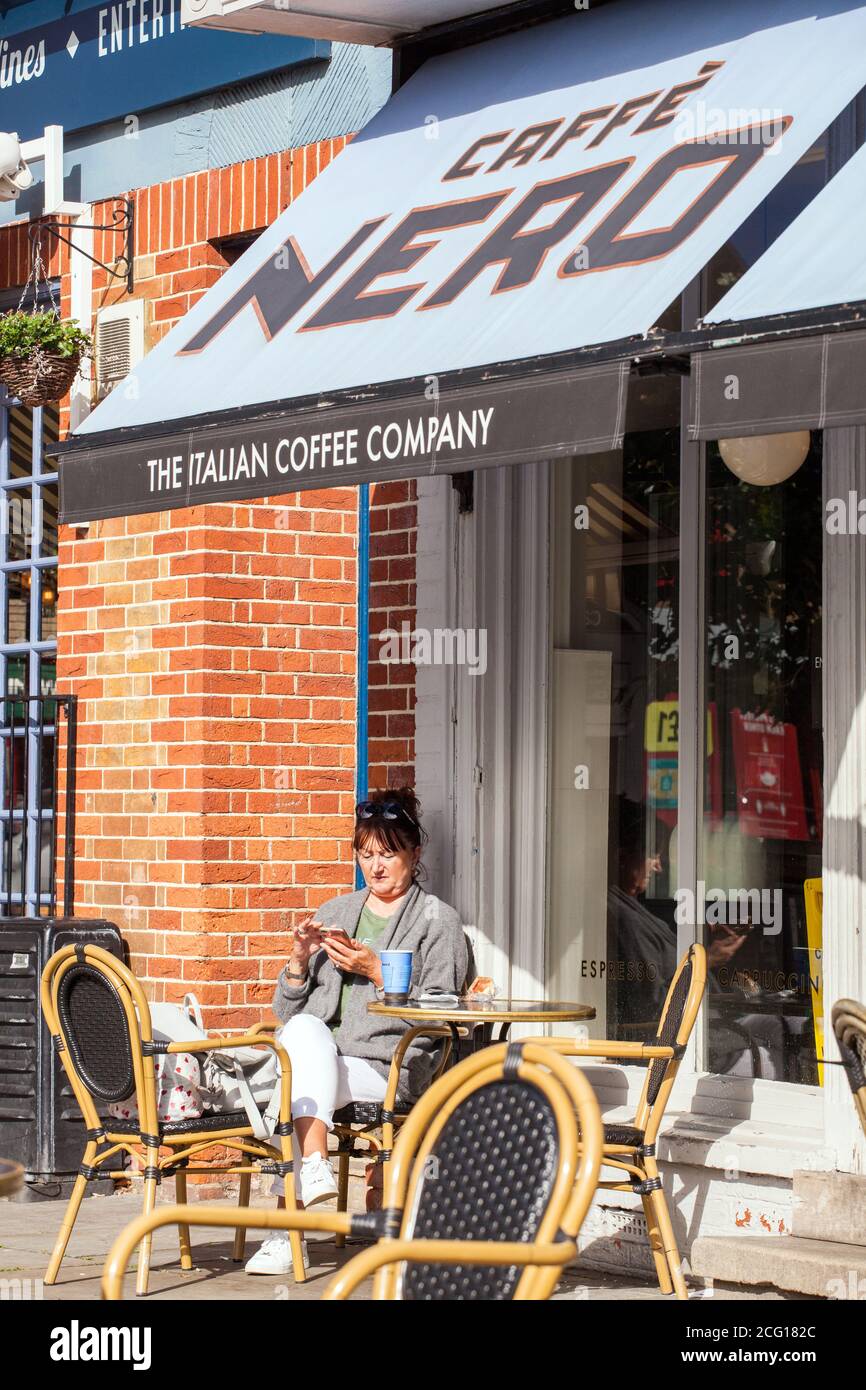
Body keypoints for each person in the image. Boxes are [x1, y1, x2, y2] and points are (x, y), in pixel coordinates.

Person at [245, 786, 468, 1275]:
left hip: (389, 1064)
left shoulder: (438, 922)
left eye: (388, 853)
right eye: (366, 854)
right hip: (321, 1060)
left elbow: (442, 1014)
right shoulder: (338, 911)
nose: (376, 866)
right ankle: (315, 1167)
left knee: (291, 1083)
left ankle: (288, 1228)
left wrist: (378, 972)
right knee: (303, 1031)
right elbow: (286, 1010)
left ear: (415, 852)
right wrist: (299, 960)